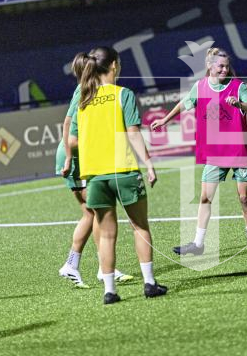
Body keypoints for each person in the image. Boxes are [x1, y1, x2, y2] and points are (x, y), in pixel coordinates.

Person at [69, 46, 167, 304]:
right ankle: (149, 284)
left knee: (106, 234)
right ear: (114, 65)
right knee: (140, 226)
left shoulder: (83, 100)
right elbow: (133, 133)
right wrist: (149, 163)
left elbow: (72, 140)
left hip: (95, 176)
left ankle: (109, 291)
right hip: (123, 171)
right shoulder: (123, 94)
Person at [150, 47, 247, 255]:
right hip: (215, 153)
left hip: (239, 150)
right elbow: (184, 104)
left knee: (244, 198)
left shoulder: (237, 86)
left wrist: (239, 104)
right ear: (209, 66)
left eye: (227, 66)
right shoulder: (200, 86)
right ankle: (198, 244)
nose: (224, 70)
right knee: (205, 198)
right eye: (220, 66)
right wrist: (165, 120)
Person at [56, 52, 133, 288]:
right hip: (77, 159)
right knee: (94, 213)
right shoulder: (83, 89)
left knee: (95, 212)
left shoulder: (92, 89)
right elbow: (68, 125)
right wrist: (69, 158)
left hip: (82, 157)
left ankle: (98, 267)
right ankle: (80, 265)